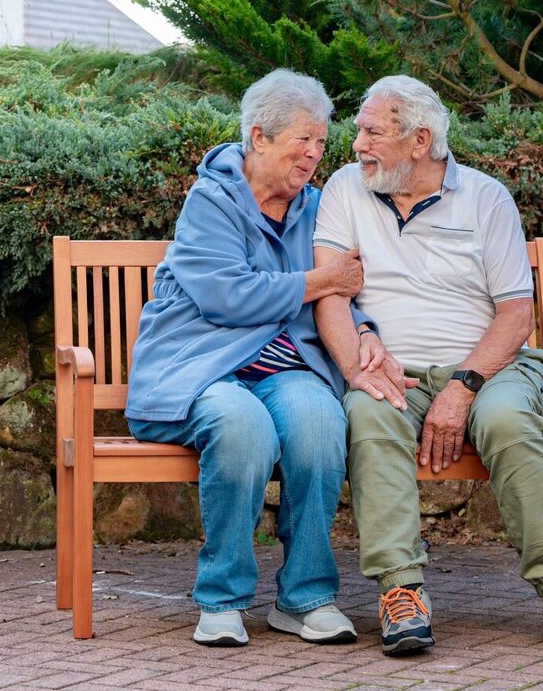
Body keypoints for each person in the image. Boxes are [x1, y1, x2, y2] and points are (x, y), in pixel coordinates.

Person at [313, 75, 543, 656]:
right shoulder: (346, 190)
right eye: (358, 131)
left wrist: (462, 387)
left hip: (490, 368)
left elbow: (515, 314)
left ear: (420, 140)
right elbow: (331, 294)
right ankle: (400, 590)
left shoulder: (485, 197)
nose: (356, 145)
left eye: (372, 132)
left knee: (506, 425)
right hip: (393, 370)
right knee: (369, 416)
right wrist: (356, 366)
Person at [126, 69, 374, 647]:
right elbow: (227, 295)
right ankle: (223, 598)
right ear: (259, 137)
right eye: (302, 140)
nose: (315, 153)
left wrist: (365, 331)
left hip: (283, 366)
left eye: (320, 141)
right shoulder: (210, 201)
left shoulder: (316, 207)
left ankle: (306, 596)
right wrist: (316, 280)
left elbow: (344, 292)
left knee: (318, 422)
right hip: (202, 366)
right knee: (243, 428)